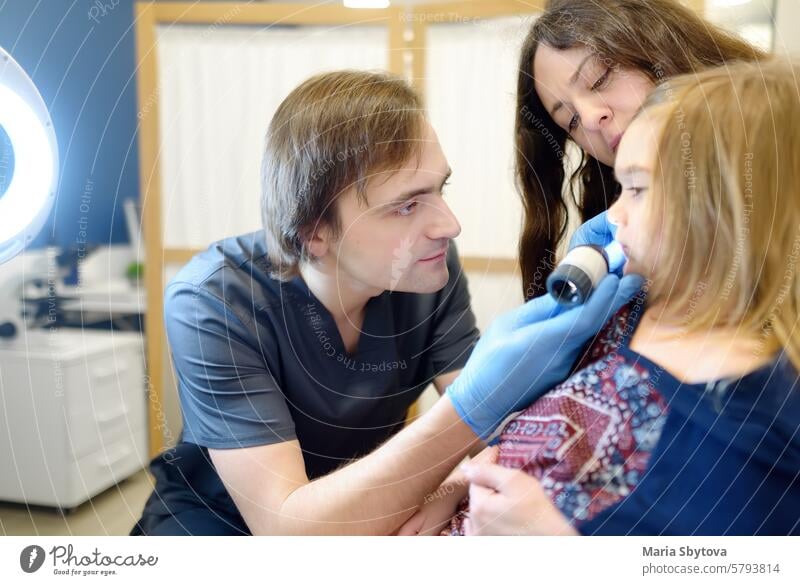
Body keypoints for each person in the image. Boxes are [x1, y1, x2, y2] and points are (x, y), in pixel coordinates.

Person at [131, 70, 642, 535]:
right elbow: (287, 531)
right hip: (213, 524)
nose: (449, 225)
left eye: (440, 189)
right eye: (407, 205)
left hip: (372, 508)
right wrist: (472, 409)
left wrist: (449, 487)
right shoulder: (214, 302)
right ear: (315, 235)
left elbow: (499, 434)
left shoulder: (428, 272)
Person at [402, 59, 800, 536]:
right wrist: (461, 482)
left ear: (722, 207)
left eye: (636, 188)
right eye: (569, 117)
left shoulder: (752, 416)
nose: (615, 214)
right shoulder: (643, 311)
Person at [515, 0, 764, 299]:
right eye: (572, 120)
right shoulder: (622, 241)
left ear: (660, 45)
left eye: (600, 78)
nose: (592, 119)